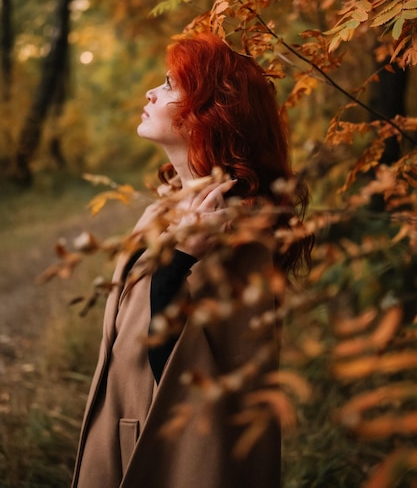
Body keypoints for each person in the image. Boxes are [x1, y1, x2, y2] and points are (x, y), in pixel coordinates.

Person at [71, 32, 311, 488]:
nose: (151, 92)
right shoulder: (163, 209)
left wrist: (180, 259)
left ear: (210, 112)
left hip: (165, 455)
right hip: (120, 426)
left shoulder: (242, 229)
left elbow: (203, 378)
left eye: (170, 84)